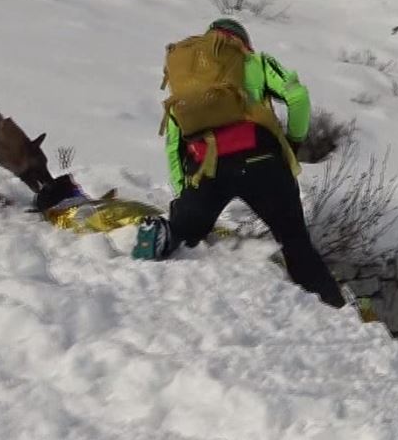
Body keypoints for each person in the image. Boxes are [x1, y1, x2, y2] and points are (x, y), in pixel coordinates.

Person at [134, 18, 345, 310]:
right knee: (296, 244)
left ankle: (162, 234)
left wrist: (184, 193)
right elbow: (299, 97)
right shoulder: (255, 62)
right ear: (243, 42)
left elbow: (173, 143)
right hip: (262, 162)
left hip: (207, 168)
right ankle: (338, 313)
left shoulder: (188, 74)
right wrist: (292, 146)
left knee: (185, 231)